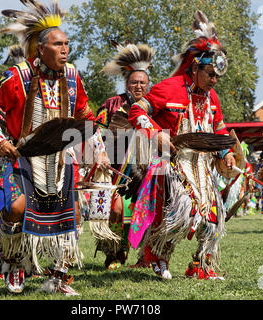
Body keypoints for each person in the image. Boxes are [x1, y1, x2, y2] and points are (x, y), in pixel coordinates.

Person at [0, 0, 109, 295]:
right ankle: (13, 262)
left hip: (60, 156)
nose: (65, 50)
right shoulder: (17, 76)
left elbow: (86, 116)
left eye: (67, 44)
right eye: (58, 44)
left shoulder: (72, 78)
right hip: (21, 154)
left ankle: (59, 275)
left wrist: (99, 147)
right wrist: (1, 140)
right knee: (17, 207)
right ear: (41, 49)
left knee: (73, 212)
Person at [127, 11, 236, 280]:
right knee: (183, 212)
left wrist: (226, 152)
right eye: (210, 74)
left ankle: (200, 266)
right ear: (196, 67)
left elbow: (218, 129)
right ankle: (156, 255)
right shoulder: (170, 88)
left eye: (217, 77)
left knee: (212, 219)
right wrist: (155, 133)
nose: (214, 80)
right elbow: (136, 111)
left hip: (202, 165)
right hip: (171, 164)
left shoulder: (212, 98)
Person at [93, 40, 155, 270]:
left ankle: (145, 256)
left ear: (148, 85)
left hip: (146, 168)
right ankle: (113, 252)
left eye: (142, 83)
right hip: (115, 167)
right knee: (115, 210)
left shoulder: (153, 106)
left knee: (146, 211)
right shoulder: (112, 104)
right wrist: (101, 154)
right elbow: (96, 130)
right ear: (127, 83)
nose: (138, 86)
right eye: (134, 82)